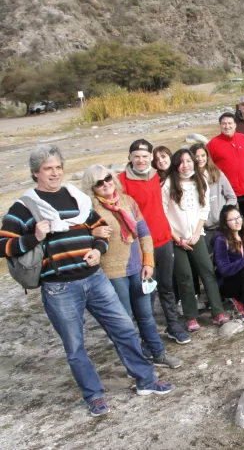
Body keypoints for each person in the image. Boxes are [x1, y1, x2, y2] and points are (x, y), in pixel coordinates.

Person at [0, 145, 173, 416]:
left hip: (95, 278)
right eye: (48, 169)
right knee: (75, 346)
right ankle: (93, 395)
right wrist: (34, 237)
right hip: (59, 287)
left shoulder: (76, 197)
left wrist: (98, 249)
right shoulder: (24, 207)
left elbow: (99, 230)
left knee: (125, 329)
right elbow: (3, 245)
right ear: (36, 173)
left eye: (58, 167)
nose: (55, 173)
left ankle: (146, 380)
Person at [82, 165, 182, 370]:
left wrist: (148, 262)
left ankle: (157, 353)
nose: (105, 184)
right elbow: (80, 239)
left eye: (107, 178)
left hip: (137, 268)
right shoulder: (89, 210)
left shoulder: (128, 201)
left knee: (146, 315)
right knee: (125, 321)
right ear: (91, 188)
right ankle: (136, 364)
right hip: (112, 272)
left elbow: (144, 233)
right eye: (98, 183)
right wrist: (92, 234)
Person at [118, 140, 190, 344]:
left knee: (166, 286)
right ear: (130, 158)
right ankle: (146, 336)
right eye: (136, 156)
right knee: (145, 291)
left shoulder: (158, 176)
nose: (141, 160)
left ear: (151, 157)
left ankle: (173, 326)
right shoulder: (121, 181)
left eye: (144, 156)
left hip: (163, 239)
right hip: (140, 245)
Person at [162, 149, 229, 331]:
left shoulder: (200, 180)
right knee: (184, 276)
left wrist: (197, 232)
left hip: (196, 235)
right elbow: (163, 214)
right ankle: (191, 317)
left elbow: (204, 209)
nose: (186, 165)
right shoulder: (168, 184)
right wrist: (177, 237)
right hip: (176, 238)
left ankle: (218, 312)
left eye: (189, 161)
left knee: (207, 270)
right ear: (176, 164)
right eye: (181, 162)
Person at [207, 112, 244, 231]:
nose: (227, 126)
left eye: (230, 123)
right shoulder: (213, 144)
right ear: (220, 125)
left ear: (235, 125)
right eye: (224, 123)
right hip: (227, 192)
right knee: (229, 221)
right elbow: (209, 166)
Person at [190, 142, 237, 246]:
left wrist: (224, 213)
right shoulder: (189, 179)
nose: (200, 159)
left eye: (203, 155)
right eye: (196, 156)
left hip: (222, 226)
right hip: (202, 229)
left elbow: (232, 197)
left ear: (207, 156)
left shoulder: (217, 174)